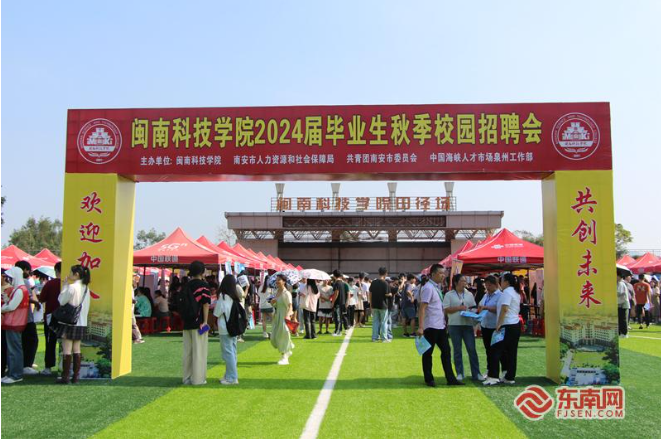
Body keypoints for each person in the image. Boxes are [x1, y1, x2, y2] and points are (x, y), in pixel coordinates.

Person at [416, 264, 463, 387]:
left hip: (440, 326)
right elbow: (422, 308)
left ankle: (450, 378)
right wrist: (420, 326)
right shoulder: (428, 288)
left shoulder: (436, 287)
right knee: (428, 353)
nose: (443, 276)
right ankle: (429, 379)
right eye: (440, 273)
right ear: (433, 274)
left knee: (446, 351)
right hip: (431, 326)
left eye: (444, 273)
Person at [54, 265, 92, 384]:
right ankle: (75, 377)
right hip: (81, 322)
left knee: (67, 349)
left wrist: (65, 286)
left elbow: (61, 301)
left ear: (76, 274)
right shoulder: (86, 288)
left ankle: (65, 377)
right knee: (77, 349)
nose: (69, 274)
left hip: (69, 322)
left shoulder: (72, 287)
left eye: (71, 272)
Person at [443, 274, 483, 381]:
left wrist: (474, 312)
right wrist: (458, 308)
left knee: (471, 349)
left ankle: (476, 373)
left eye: (465, 281)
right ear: (456, 282)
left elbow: (473, 307)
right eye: (462, 281)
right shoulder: (449, 294)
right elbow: (446, 309)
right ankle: (460, 373)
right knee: (457, 350)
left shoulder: (469, 294)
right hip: (454, 325)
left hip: (467, 324)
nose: (464, 283)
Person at [488, 273, 521, 385]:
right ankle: (510, 377)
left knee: (495, 349)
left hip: (506, 325)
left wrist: (499, 324)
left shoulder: (507, 292)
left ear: (506, 282)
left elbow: (504, 309)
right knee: (512, 352)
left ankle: (493, 376)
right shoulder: (516, 292)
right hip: (514, 324)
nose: (500, 283)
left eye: (501, 281)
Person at [181, 261, 211, 386]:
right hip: (199, 323)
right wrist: (205, 321)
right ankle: (198, 379)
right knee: (199, 352)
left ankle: (186, 378)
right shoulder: (203, 286)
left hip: (186, 323)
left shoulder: (186, 285)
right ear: (202, 272)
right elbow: (206, 304)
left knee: (187, 352)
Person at [1, 267, 30, 384]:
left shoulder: (19, 290)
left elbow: (12, 306)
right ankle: (12, 373)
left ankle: (16, 375)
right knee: (12, 350)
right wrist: (6, 300)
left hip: (15, 322)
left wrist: (2, 308)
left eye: (10, 278)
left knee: (14, 350)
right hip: (13, 322)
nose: (8, 280)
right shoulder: (18, 289)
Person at [479, 276, 506, 386]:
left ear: (495, 285)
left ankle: (499, 373)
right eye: (486, 285)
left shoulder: (500, 296)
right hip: (485, 325)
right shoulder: (486, 295)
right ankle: (490, 370)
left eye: (489, 285)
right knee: (488, 350)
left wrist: (486, 308)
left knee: (496, 351)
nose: (487, 287)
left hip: (495, 327)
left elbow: (500, 309)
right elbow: (481, 305)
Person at [213, 274, 240, 385]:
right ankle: (229, 375)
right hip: (234, 327)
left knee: (228, 353)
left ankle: (232, 377)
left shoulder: (223, 297)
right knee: (232, 352)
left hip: (225, 328)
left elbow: (217, 312)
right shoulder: (234, 297)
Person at [37, 262, 62, 376]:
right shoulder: (69, 284)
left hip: (51, 317)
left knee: (50, 342)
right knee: (66, 343)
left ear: (56, 271)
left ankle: (48, 367)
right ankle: (64, 366)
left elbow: (42, 298)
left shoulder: (50, 284)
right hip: (66, 317)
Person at [16, 261, 40, 375]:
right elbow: (29, 298)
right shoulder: (24, 282)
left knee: (18, 342)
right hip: (26, 317)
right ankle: (27, 365)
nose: (29, 273)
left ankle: (19, 364)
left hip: (15, 318)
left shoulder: (13, 281)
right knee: (32, 340)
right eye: (28, 270)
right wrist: (36, 302)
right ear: (24, 270)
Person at [270, 274, 294, 365]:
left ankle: (284, 357)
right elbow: (276, 305)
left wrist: (287, 316)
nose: (277, 281)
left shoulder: (286, 293)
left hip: (284, 317)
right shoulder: (276, 292)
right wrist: (273, 303)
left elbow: (290, 306)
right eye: (276, 280)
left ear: (284, 282)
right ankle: (288, 350)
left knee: (283, 336)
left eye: (279, 280)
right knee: (274, 337)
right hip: (277, 316)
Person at [369, 267, 390, 342]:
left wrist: (371, 304)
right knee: (384, 322)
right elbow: (387, 294)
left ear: (378, 273)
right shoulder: (385, 283)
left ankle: (374, 338)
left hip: (374, 305)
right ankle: (384, 338)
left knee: (375, 322)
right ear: (386, 274)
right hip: (383, 305)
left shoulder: (373, 282)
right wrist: (390, 294)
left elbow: (370, 293)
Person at [332, 271, 350, 336]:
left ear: (334, 275)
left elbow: (336, 293)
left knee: (338, 317)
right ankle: (339, 330)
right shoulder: (343, 283)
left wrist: (333, 302)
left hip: (338, 303)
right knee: (341, 317)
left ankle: (338, 332)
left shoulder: (337, 283)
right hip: (342, 302)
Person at [617, 272, 630, 338]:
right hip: (619, 304)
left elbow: (619, 293)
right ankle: (620, 333)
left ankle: (624, 333)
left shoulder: (621, 283)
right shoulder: (618, 283)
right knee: (619, 319)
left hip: (623, 304)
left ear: (619, 277)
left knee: (623, 319)